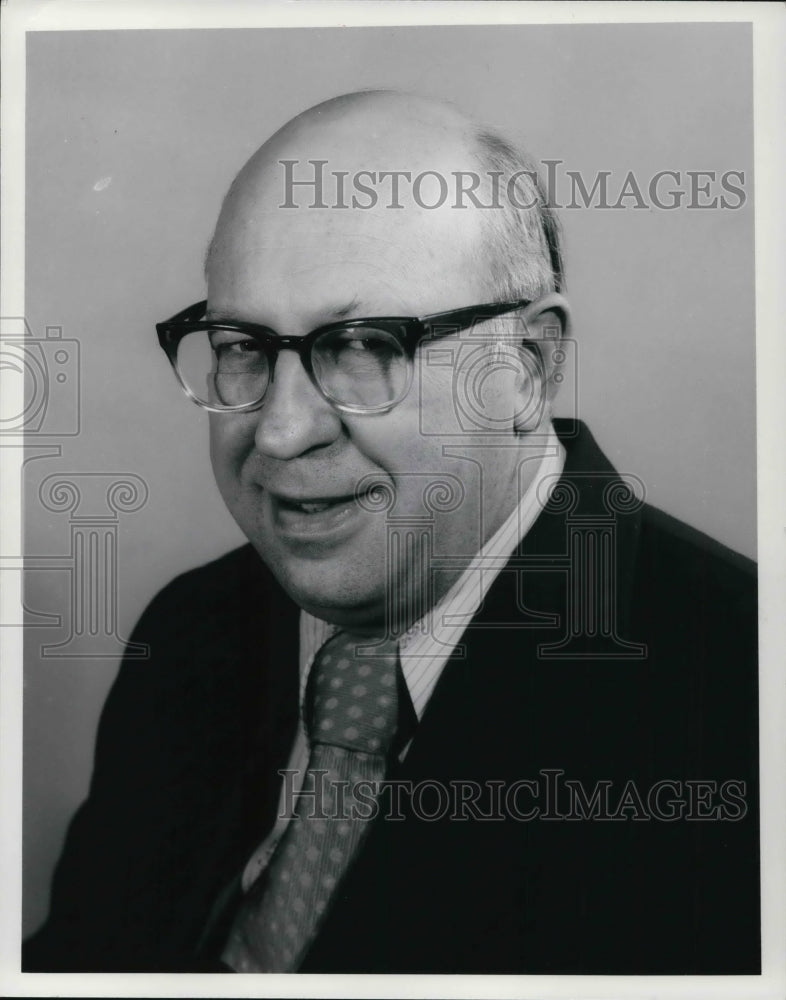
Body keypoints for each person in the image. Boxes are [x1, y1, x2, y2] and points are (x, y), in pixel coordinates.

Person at [23, 91, 759, 974]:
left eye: (365, 344)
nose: (282, 431)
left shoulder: (745, 692)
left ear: (527, 369)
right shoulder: (191, 629)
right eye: (242, 344)